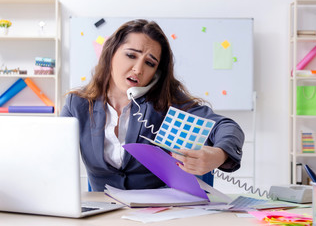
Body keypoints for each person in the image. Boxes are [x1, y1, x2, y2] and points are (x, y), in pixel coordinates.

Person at [61, 19, 244, 191]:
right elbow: (54, 156)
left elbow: (226, 127)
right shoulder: (77, 104)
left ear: (156, 73)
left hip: (157, 213)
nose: (138, 69)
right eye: (131, 55)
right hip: (102, 213)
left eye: (150, 63)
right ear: (110, 53)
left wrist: (219, 155)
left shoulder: (166, 101)